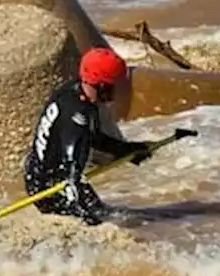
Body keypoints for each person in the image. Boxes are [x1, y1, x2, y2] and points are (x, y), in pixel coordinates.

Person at [23, 47, 154, 226]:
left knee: (114, 216)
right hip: (50, 187)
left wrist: (126, 150)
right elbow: (70, 166)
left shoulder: (75, 93)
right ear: (102, 86)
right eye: (115, 85)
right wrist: (84, 207)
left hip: (42, 172)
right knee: (105, 224)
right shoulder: (77, 114)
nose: (117, 92)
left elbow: (94, 139)